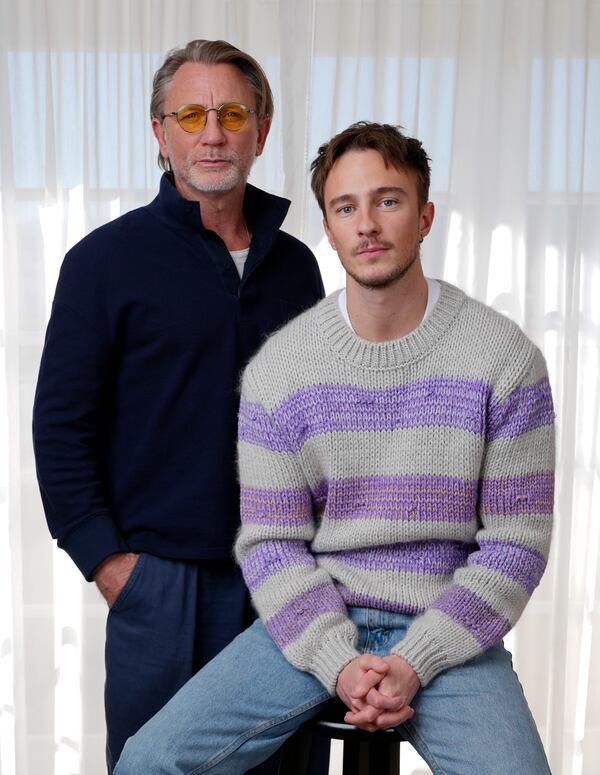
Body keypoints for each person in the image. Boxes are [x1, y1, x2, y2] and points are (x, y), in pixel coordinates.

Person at [114, 122, 555, 775]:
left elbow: (516, 542)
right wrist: (338, 659)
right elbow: (270, 541)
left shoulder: (504, 359)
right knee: (148, 760)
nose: (368, 223)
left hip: (450, 625)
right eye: (347, 207)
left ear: (425, 215)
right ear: (329, 226)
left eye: (389, 200)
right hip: (315, 616)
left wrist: (415, 660)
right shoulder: (281, 370)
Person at [32, 39, 324, 772]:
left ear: (261, 129)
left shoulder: (298, 267)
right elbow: (61, 425)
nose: (214, 132)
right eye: (191, 114)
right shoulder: (103, 262)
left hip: (284, 580)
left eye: (233, 112)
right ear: (160, 134)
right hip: (160, 584)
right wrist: (108, 563)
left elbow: (319, 422)